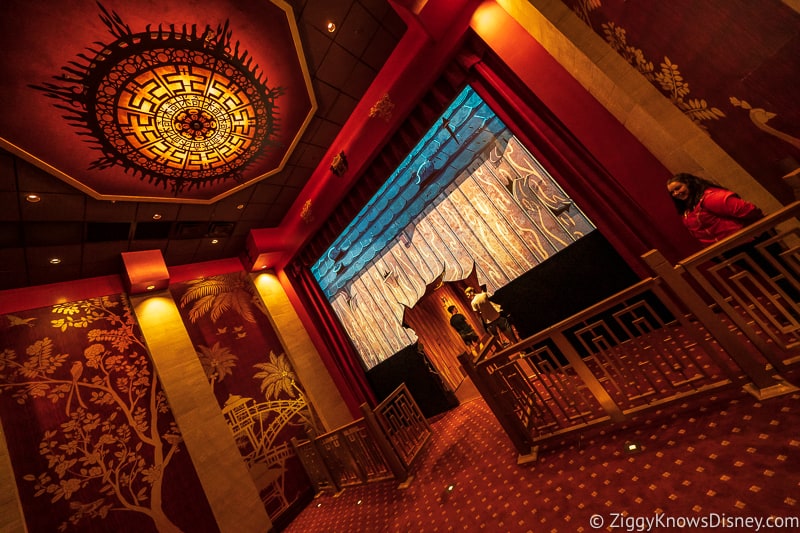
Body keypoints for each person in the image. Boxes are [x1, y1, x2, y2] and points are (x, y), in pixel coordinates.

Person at [666, 173, 764, 246]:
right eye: (672, 192)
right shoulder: (689, 208)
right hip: (728, 247)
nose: (676, 193)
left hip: (746, 242)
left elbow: (748, 210)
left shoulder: (710, 198)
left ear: (689, 183)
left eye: (678, 188)